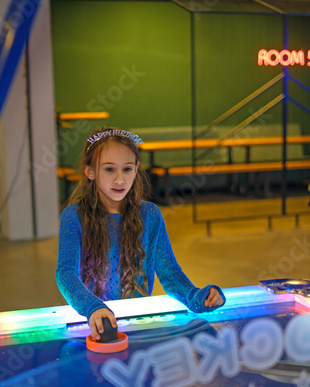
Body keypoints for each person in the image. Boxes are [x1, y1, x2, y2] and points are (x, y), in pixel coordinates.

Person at [56, 126, 225, 340]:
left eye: (127, 169)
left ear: (136, 169)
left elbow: (169, 273)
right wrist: (92, 307)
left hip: (139, 327)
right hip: (92, 327)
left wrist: (198, 297)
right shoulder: (72, 216)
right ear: (90, 171)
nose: (119, 180)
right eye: (109, 169)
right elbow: (65, 273)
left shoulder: (151, 214)